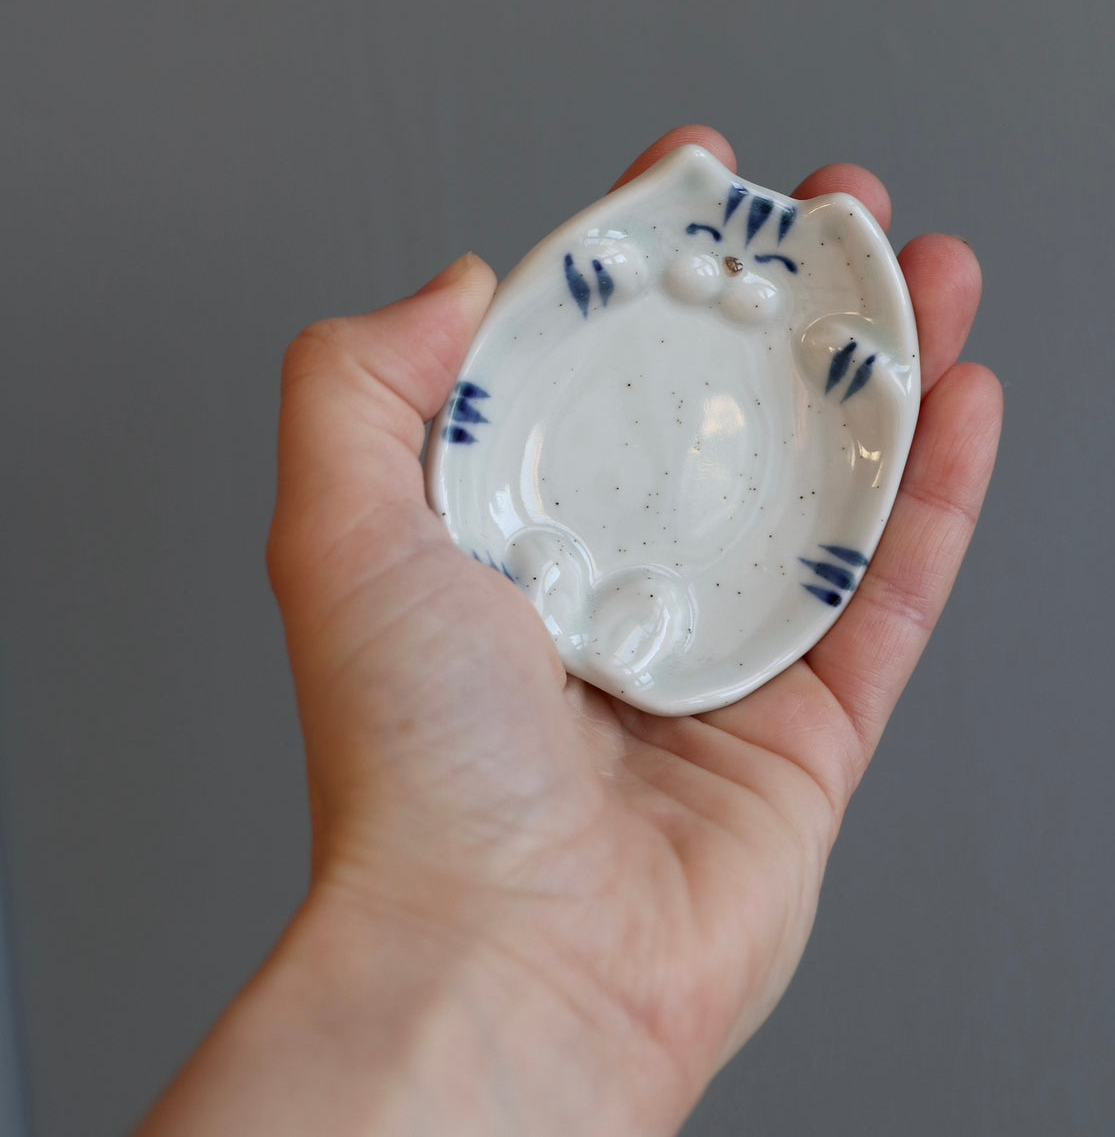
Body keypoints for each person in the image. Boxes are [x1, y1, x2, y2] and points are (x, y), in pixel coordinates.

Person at [136, 126, 1002, 1136]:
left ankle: (619, 598)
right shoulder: (634, 282)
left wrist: (535, 977)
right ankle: (572, 577)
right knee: (569, 562)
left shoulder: (807, 339)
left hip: (683, 596)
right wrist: (511, 943)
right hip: (539, 539)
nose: (737, 269)